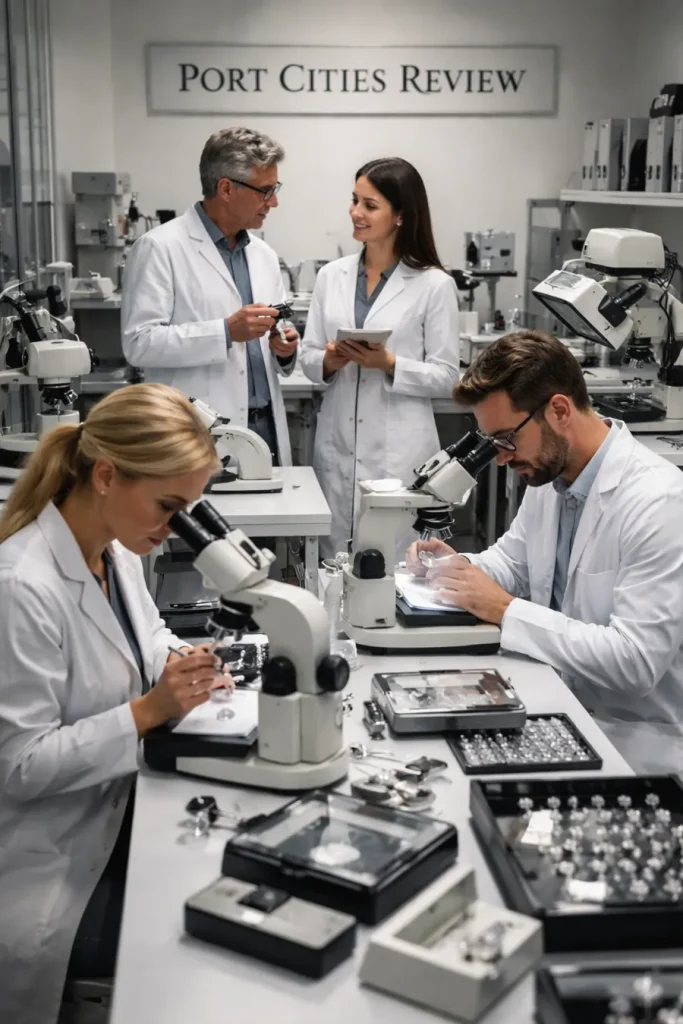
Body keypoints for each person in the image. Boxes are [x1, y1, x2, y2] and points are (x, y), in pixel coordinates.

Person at [0, 384, 235, 1024]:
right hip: (50, 863)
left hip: (119, 809)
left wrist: (181, 662)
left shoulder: (112, 548)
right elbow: (18, 765)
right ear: (106, 476)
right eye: (168, 506)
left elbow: (145, 635)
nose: (175, 527)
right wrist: (148, 711)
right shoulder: (21, 586)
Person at [407, 330, 683, 776]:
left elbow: (635, 662)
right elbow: (513, 564)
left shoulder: (660, 502)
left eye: (506, 439)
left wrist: (505, 610)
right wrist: (455, 567)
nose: (500, 458)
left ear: (558, 410)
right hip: (551, 703)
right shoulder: (550, 477)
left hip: (635, 745)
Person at [300, 157, 460, 558]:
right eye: (354, 200)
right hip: (338, 442)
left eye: (369, 205)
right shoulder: (331, 276)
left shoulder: (434, 285)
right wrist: (331, 360)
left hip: (399, 453)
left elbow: (447, 377)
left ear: (401, 215)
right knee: (334, 563)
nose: (356, 212)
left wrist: (389, 365)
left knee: (395, 566)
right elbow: (308, 356)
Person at [121, 126, 299, 466]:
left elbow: (272, 340)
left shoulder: (262, 255)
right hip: (199, 432)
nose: (274, 202)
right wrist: (225, 332)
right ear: (226, 188)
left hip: (266, 428)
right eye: (266, 191)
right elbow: (139, 344)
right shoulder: (159, 248)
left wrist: (284, 350)